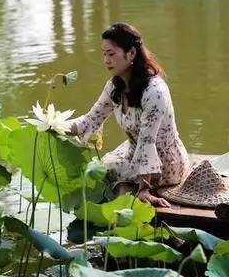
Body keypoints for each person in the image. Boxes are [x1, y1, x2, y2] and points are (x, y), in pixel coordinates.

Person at [69, 22, 191, 208]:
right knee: (100, 168)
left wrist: (144, 189)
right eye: (104, 54)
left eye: (111, 54)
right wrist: (55, 126)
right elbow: (91, 119)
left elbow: (147, 142)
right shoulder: (115, 86)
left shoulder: (155, 91)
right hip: (134, 151)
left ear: (131, 53)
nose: (106, 60)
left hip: (165, 164)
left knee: (102, 172)